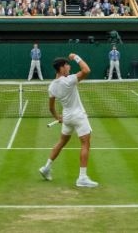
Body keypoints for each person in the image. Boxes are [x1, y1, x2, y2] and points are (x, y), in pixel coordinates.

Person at [39, 53, 98, 188]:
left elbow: (51, 107)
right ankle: (82, 178)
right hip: (78, 117)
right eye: (67, 65)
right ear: (61, 68)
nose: (69, 67)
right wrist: (76, 57)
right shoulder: (69, 80)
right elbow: (86, 70)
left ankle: (46, 167)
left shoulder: (52, 86)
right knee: (85, 143)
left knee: (61, 142)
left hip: (67, 118)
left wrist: (57, 117)